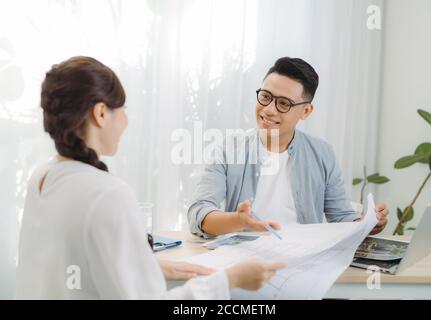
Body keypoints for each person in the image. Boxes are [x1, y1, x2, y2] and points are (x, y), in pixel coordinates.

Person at [15, 56, 284, 299]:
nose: (126, 121)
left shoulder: (42, 177)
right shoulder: (107, 194)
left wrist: (142, 265)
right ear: (99, 113)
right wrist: (230, 279)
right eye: (122, 109)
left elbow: (68, 267)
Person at [188, 57, 389, 239]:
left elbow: (341, 217)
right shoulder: (227, 150)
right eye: (265, 96)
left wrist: (365, 225)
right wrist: (239, 221)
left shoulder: (323, 153)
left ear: (306, 111)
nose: (268, 110)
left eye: (284, 103)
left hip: (304, 260)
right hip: (245, 262)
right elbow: (200, 213)